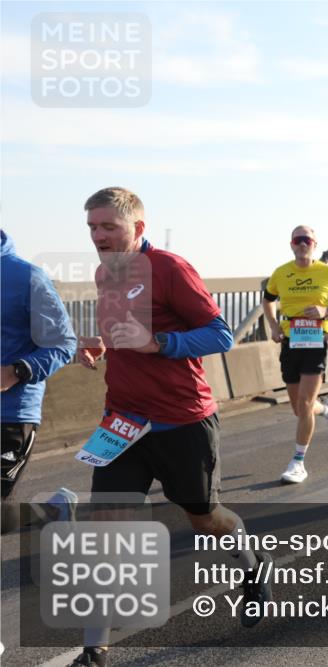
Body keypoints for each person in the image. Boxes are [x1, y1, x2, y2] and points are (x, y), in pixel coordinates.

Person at [73, 188, 272, 666]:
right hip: (122, 422)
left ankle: (252, 563)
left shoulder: (170, 268)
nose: (99, 237)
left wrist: (158, 342)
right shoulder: (105, 274)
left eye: (109, 228)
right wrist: (104, 344)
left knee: (205, 520)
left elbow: (219, 334)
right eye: (93, 229)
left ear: (138, 229)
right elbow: (129, 334)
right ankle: (94, 650)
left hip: (182, 421)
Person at [1, 230, 77, 534]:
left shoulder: (26, 277)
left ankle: (52, 510)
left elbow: (63, 344)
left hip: (9, 415)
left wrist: (18, 370)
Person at [262, 225, 328, 484]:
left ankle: (298, 462)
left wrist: (326, 312)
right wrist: (274, 326)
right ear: (291, 244)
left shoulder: (327, 272)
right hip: (291, 340)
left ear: (314, 244)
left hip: (318, 339)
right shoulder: (281, 273)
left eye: (307, 240)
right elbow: (267, 299)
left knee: (306, 403)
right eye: (298, 240)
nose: (302, 244)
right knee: (300, 408)